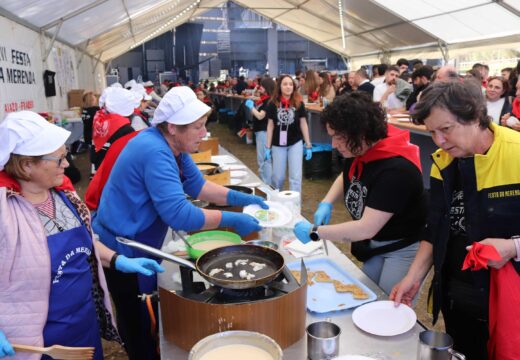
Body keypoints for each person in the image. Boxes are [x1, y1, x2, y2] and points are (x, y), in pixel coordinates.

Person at [92, 86, 267, 360]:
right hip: (121, 246)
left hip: (142, 240)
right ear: (173, 127)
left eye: (203, 125)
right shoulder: (154, 150)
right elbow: (180, 215)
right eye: (197, 127)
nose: (204, 133)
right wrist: (232, 219)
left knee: (149, 311)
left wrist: (240, 196)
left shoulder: (173, 145)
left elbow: (198, 187)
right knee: (137, 319)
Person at [0, 111, 163, 360]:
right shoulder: (5, 212)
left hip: (84, 327)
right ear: (26, 165)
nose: (66, 165)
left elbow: (86, 245)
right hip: (38, 343)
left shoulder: (66, 197)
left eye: (65, 157)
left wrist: (117, 260)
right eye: (58, 160)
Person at [390, 80, 520, 360]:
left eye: (446, 129)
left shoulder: (516, 152)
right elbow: (435, 227)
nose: (439, 141)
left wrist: (512, 248)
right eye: (432, 132)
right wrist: (413, 278)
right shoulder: (443, 161)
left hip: (509, 300)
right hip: (457, 293)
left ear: (475, 116)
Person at [293, 92, 427, 296]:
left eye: (338, 138)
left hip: (401, 247)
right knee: (366, 294)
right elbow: (346, 175)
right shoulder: (360, 149)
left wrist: (315, 232)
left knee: (388, 306)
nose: (333, 145)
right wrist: (327, 202)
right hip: (376, 243)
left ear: (361, 133)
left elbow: (366, 228)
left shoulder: (397, 169)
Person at [265, 75, 312, 192]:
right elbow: (270, 126)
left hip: (295, 143)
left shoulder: (299, 103)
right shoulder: (272, 104)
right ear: (279, 87)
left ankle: (295, 207)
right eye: (285, 84)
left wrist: (308, 144)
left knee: (295, 178)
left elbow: (303, 123)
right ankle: (276, 203)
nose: (288, 87)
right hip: (277, 144)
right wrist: (267, 147)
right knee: (278, 178)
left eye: (291, 84)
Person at [244, 77, 276, 186]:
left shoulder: (268, 101)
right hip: (261, 131)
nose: (259, 87)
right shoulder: (264, 99)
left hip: (263, 132)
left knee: (264, 160)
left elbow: (260, 116)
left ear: (266, 87)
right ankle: (265, 182)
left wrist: (251, 107)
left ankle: (266, 184)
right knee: (262, 160)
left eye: (261, 86)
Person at [81, 91, 100, 178]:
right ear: (92, 100)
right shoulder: (95, 111)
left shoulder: (84, 111)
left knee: (92, 152)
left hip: (87, 134)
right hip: (93, 135)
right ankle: (94, 172)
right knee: (95, 153)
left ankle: (93, 170)